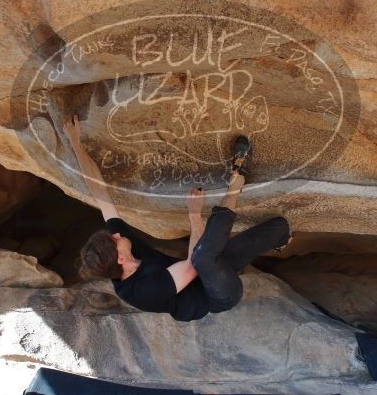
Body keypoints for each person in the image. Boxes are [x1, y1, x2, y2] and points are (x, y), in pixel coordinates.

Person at [63, 112, 293, 321]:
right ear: (120, 259)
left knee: (279, 226)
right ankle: (236, 181)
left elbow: (99, 191)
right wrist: (194, 214)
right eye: (114, 240)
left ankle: (282, 239)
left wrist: (75, 143)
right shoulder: (141, 292)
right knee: (203, 258)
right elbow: (193, 265)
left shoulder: (121, 251)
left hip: (215, 263)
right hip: (216, 295)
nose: (115, 234)